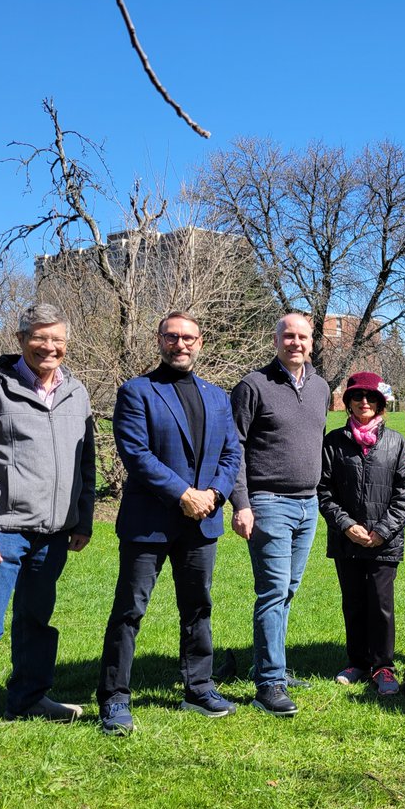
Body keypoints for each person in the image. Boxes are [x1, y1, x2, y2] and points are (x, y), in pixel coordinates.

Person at [0, 304, 95, 768]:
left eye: (58, 340)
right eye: (40, 338)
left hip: (53, 535)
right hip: (1, 531)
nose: (50, 348)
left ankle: (29, 698)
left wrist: (82, 518)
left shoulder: (76, 391)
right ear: (22, 337)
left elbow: (84, 463)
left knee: (37, 621)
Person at [97, 311, 242, 735]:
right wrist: (184, 495)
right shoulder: (137, 391)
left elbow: (232, 454)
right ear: (159, 341)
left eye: (189, 338)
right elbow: (137, 455)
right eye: (172, 337)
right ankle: (114, 699)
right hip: (151, 523)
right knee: (129, 610)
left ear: (200, 342)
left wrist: (213, 495)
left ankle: (198, 688)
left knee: (198, 608)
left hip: (202, 522)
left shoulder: (217, 397)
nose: (181, 344)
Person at [229, 313, 331, 717]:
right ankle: (268, 684)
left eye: (302, 336)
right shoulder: (254, 386)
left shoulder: (321, 387)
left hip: (308, 504)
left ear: (311, 341)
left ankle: (271, 666)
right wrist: (241, 503)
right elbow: (233, 446)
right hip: (268, 501)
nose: (295, 343)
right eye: (288, 336)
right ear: (275, 340)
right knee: (272, 591)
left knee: (287, 590)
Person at [318, 372, 405, 697]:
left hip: (383, 543)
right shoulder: (333, 443)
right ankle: (357, 662)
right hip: (347, 541)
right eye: (357, 398)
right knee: (354, 603)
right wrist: (346, 525)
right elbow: (324, 491)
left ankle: (383, 666)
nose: (364, 403)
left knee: (381, 604)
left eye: (370, 398)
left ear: (380, 403)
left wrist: (381, 532)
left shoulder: (396, 443)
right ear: (347, 403)